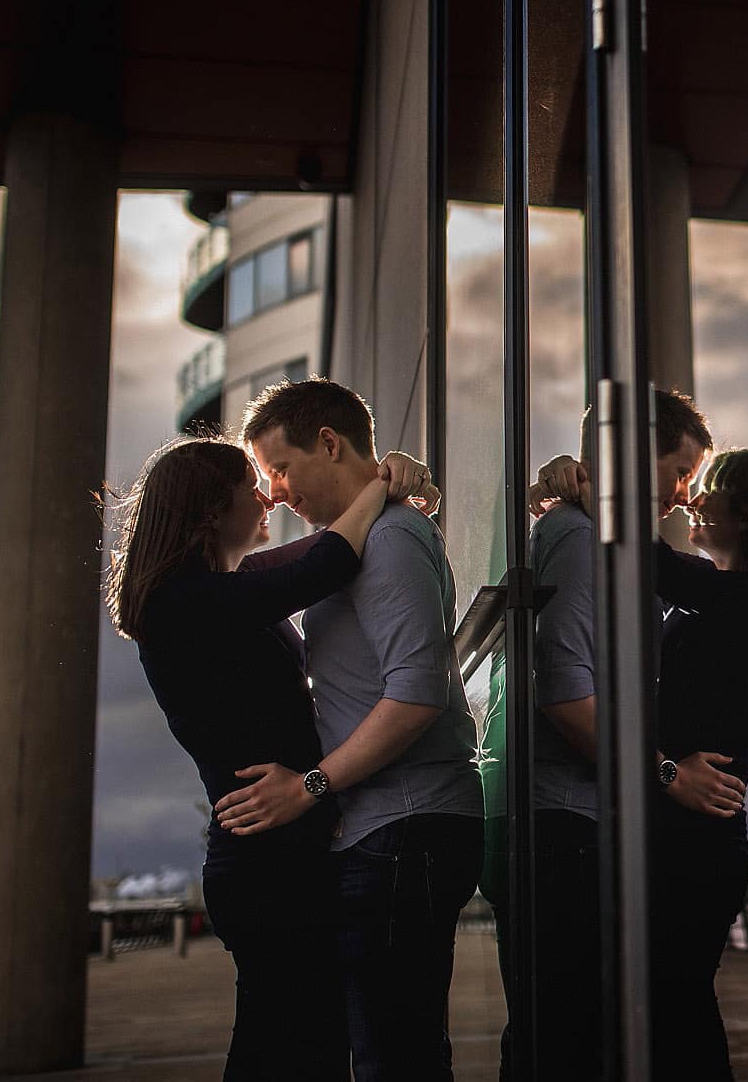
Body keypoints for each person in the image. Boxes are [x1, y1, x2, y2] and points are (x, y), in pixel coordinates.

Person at [106, 436, 432, 1080]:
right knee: (287, 1047)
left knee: (298, 1043)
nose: (267, 498)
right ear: (211, 510)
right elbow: (325, 565)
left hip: (278, 853)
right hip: (263, 862)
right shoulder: (181, 600)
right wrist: (378, 486)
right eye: (250, 488)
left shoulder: (223, 588)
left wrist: (392, 481)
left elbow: (324, 547)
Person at [533, 442, 748, 1079]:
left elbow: (652, 563)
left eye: (709, 484)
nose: (693, 497)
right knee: (671, 1007)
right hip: (686, 829)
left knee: (677, 1008)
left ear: (746, 514)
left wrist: (595, 496)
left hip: (699, 834)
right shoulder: (731, 595)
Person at [217, 379, 482, 1081]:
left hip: (406, 830)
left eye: (281, 468)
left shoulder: (389, 539)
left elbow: (418, 694)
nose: (275, 492)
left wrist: (309, 787)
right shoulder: (361, 537)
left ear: (329, 443)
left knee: (395, 1058)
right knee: (391, 1050)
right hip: (387, 828)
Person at [493, 390, 743, 1078]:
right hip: (566, 830)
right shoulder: (580, 539)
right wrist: (667, 772)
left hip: (574, 823)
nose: (685, 494)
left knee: (570, 1034)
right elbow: (564, 694)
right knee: (564, 1039)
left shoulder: (602, 537)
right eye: (681, 470)